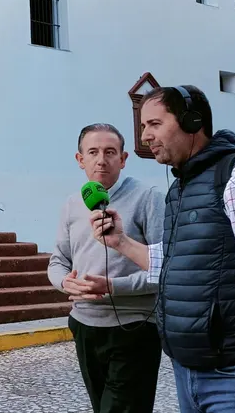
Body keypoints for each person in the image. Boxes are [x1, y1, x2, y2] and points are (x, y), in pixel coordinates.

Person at [88, 85, 235, 413]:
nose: (145, 137)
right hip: (188, 373)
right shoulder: (181, 188)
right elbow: (181, 264)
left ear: (193, 122)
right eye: (142, 127)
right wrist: (121, 242)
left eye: (154, 124)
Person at [47, 123, 165, 413]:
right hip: (85, 325)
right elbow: (58, 260)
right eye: (93, 152)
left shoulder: (148, 197)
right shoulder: (73, 204)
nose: (102, 159)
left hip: (134, 328)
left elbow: (167, 269)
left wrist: (114, 287)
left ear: (123, 159)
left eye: (110, 152)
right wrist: (65, 283)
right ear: (80, 160)